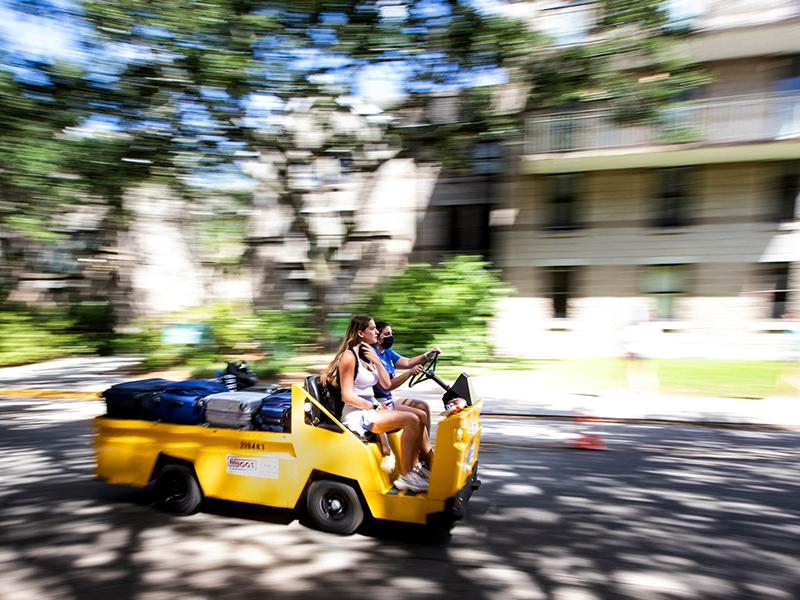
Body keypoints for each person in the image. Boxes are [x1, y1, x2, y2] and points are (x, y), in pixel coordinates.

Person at [322, 315, 430, 493]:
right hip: (357, 415)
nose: (377, 332)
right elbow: (347, 396)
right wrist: (372, 406)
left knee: (419, 416)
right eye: (372, 329)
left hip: (371, 409)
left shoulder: (368, 355)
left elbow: (386, 384)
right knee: (411, 419)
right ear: (360, 333)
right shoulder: (349, 357)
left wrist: (377, 360)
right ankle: (406, 476)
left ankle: (415, 467)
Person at [372, 321, 439, 468]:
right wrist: (409, 373)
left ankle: (422, 451)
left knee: (424, 406)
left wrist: (427, 355)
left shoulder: (387, 352)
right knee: (419, 415)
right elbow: (385, 386)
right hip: (380, 401)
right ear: (377, 336)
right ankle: (429, 459)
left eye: (391, 333)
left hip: (389, 398)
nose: (391, 337)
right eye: (387, 334)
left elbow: (408, 362)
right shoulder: (373, 355)